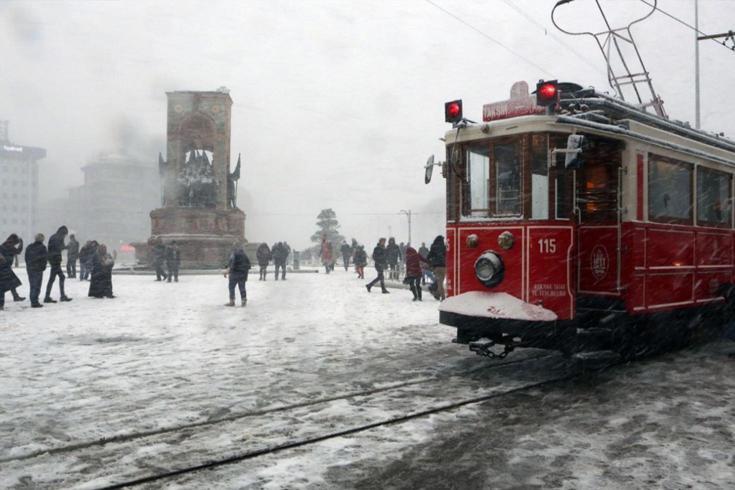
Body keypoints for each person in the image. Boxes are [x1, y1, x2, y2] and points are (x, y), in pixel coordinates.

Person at [45, 225, 72, 303]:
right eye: (65, 234)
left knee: (55, 278)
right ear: (63, 233)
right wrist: (67, 247)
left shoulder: (53, 237)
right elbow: (59, 248)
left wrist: (65, 247)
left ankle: (51, 296)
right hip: (55, 260)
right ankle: (59, 296)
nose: (65, 236)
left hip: (53, 259)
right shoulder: (59, 238)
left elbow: (54, 248)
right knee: (56, 278)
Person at [224, 241, 250, 307]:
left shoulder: (234, 254)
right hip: (243, 274)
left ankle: (232, 301)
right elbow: (249, 265)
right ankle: (243, 300)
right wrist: (244, 270)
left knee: (231, 287)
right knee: (242, 287)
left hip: (234, 274)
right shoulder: (244, 254)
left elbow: (232, 263)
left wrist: (227, 270)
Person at [0, 234, 25, 302]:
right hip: (5, 267)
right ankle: (14, 297)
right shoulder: (10, 245)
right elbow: (18, 251)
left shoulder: (5, 244)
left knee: (11, 283)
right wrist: (21, 243)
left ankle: (15, 296)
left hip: (4, 266)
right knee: (7, 283)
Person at [24, 233, 47, 308]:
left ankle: (33, 300)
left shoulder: (29, 247)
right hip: (38, 269)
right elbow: (44, 258)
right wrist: (43, 267)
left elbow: (26, 258)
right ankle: (35, 302)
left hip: (30, 269)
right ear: (42, 239)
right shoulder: (42, 247)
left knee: (32, 285)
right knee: (37, 286)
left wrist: (29, 265)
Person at [427, 235, 447, 300]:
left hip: (437, 267)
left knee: (439, 283)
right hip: (444, 267)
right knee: (440, 282)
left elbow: (429, 256)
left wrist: (431, 262)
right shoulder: (444, 247)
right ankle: (437, 294)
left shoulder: (434, 246)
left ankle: (442, 297)